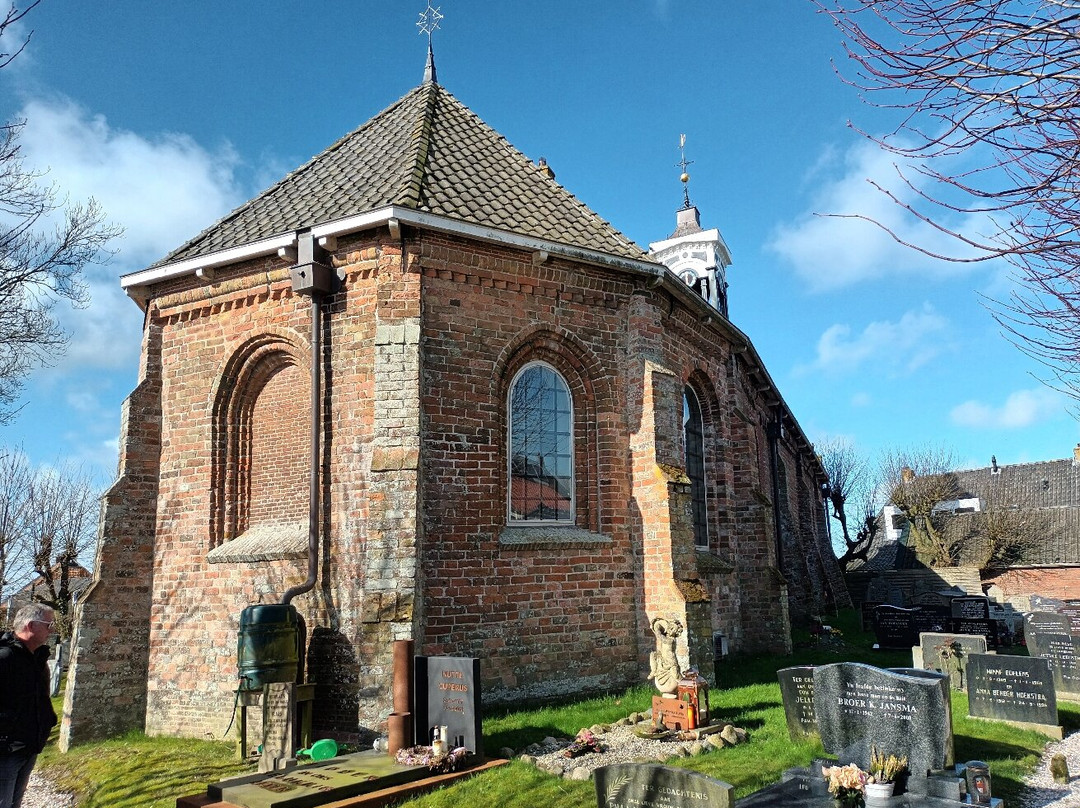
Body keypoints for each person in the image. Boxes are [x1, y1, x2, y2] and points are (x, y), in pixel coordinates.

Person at [0, 604, 58, 808]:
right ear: (31, 625)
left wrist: (48, 721)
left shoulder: (37, 658)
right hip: (6, 749)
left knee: (14, 802)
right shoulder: (5, 658)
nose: (52, 630)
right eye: (49, 624)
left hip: (29, 746)